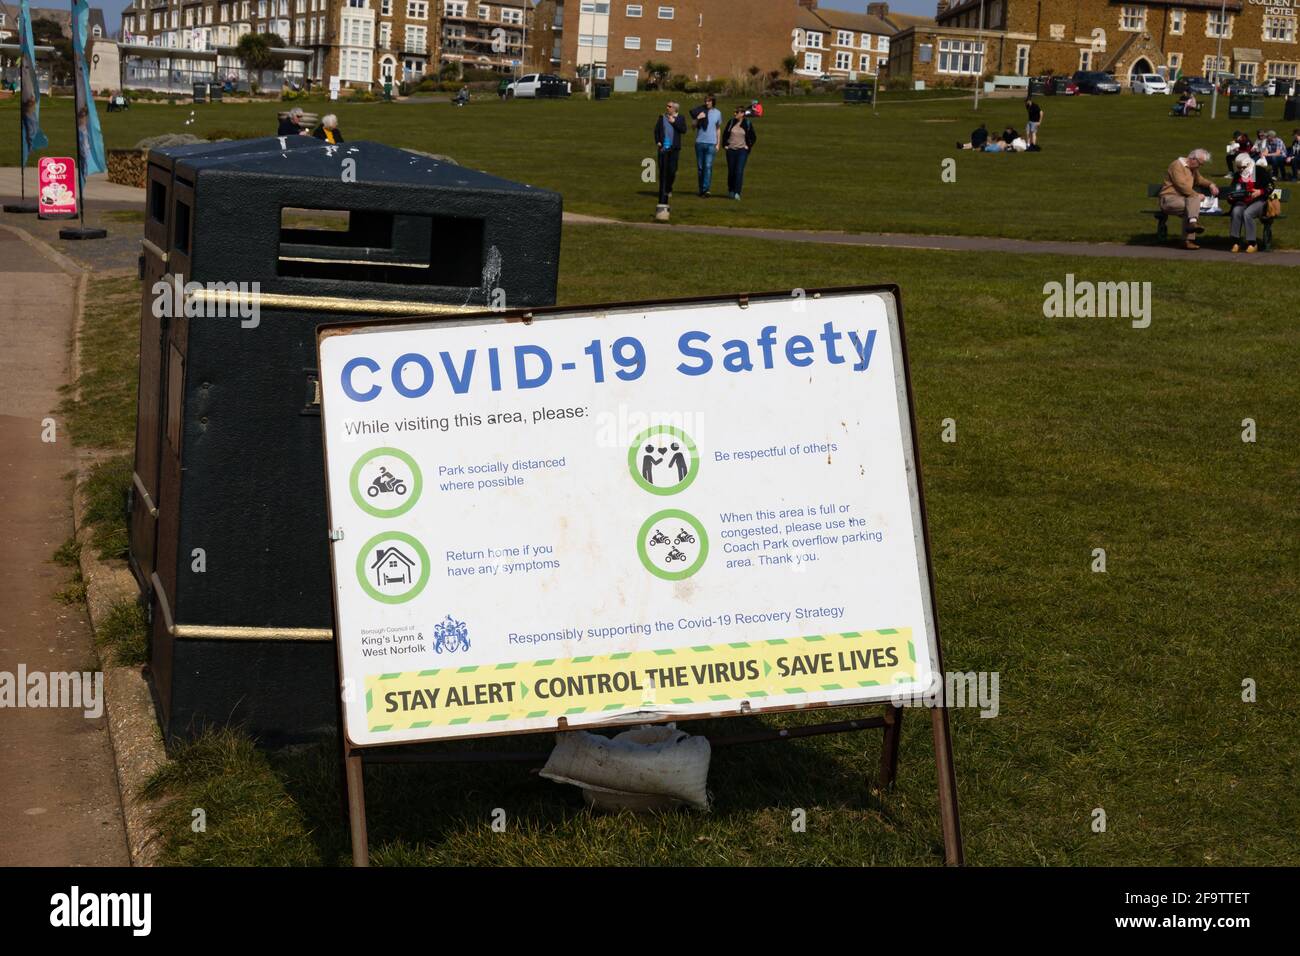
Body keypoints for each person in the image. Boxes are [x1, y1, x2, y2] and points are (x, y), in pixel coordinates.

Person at [1159, 148, 1219, 250]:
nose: (1199, 166)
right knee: (1193, 201)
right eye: (1200, 163)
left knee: (1191, 206)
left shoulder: (1193, 168)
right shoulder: (1176, 165)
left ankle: (1189, 232)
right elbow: (1181, 185)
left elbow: (1200, 180)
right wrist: (1196, 195)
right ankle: (1189, 233)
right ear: (1192, 158)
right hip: (1169, 199)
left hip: (1183, 200)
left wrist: (1211, 184)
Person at [1226, 152, 1272, 254]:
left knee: (1248, 213)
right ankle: (1235, 242)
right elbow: (1233, 189)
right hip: (1242, 201)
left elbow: (1271, 187)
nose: (1240, 170)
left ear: (1248, 164)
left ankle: (1252, 243)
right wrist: (1231, 197)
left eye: (1242, 167)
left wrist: (1260, 191)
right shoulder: (1238, 175)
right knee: (1236, 211)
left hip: (1259, 201)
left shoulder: (1258, 171)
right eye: (1238, 168)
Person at [653, 100, 687, 208]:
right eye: (667, 106)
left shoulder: (680, 118)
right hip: (663, 148)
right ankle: (663, 191)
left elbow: (683, 130)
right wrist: (658, 141)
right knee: (663, 170)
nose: (667, 108)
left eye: (669, 106)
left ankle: (668, 188)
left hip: (674, 148)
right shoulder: (662, 117)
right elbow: (656, 130)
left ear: (675, 109)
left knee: (672, 170)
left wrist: (674, 122)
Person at [689, 94, 723, 197]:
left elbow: (718, 128)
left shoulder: (718, 113)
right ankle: (701, 189)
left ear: (713, 102)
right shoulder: (700, 111)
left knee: (708, 166)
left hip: (711, 143)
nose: (707, 103)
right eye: (706, 101)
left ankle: (706, 189)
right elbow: (693, 127)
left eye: (709, 101)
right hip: (699, 142)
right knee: (700, 167)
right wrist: (698, 118)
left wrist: (718, 143)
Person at [722, 104, 756, 200]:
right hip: (731, 150)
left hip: (742, 151)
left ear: (742, 114)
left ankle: (737, 192)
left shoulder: (747, 123)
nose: (735, 114)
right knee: (731, 172)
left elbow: (753, 137)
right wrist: (725, 145)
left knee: (739, 171)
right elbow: (725, 134)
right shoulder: (731, 122)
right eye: (735, 112)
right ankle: (731, 190)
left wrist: (747, 146)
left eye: (737, 112)